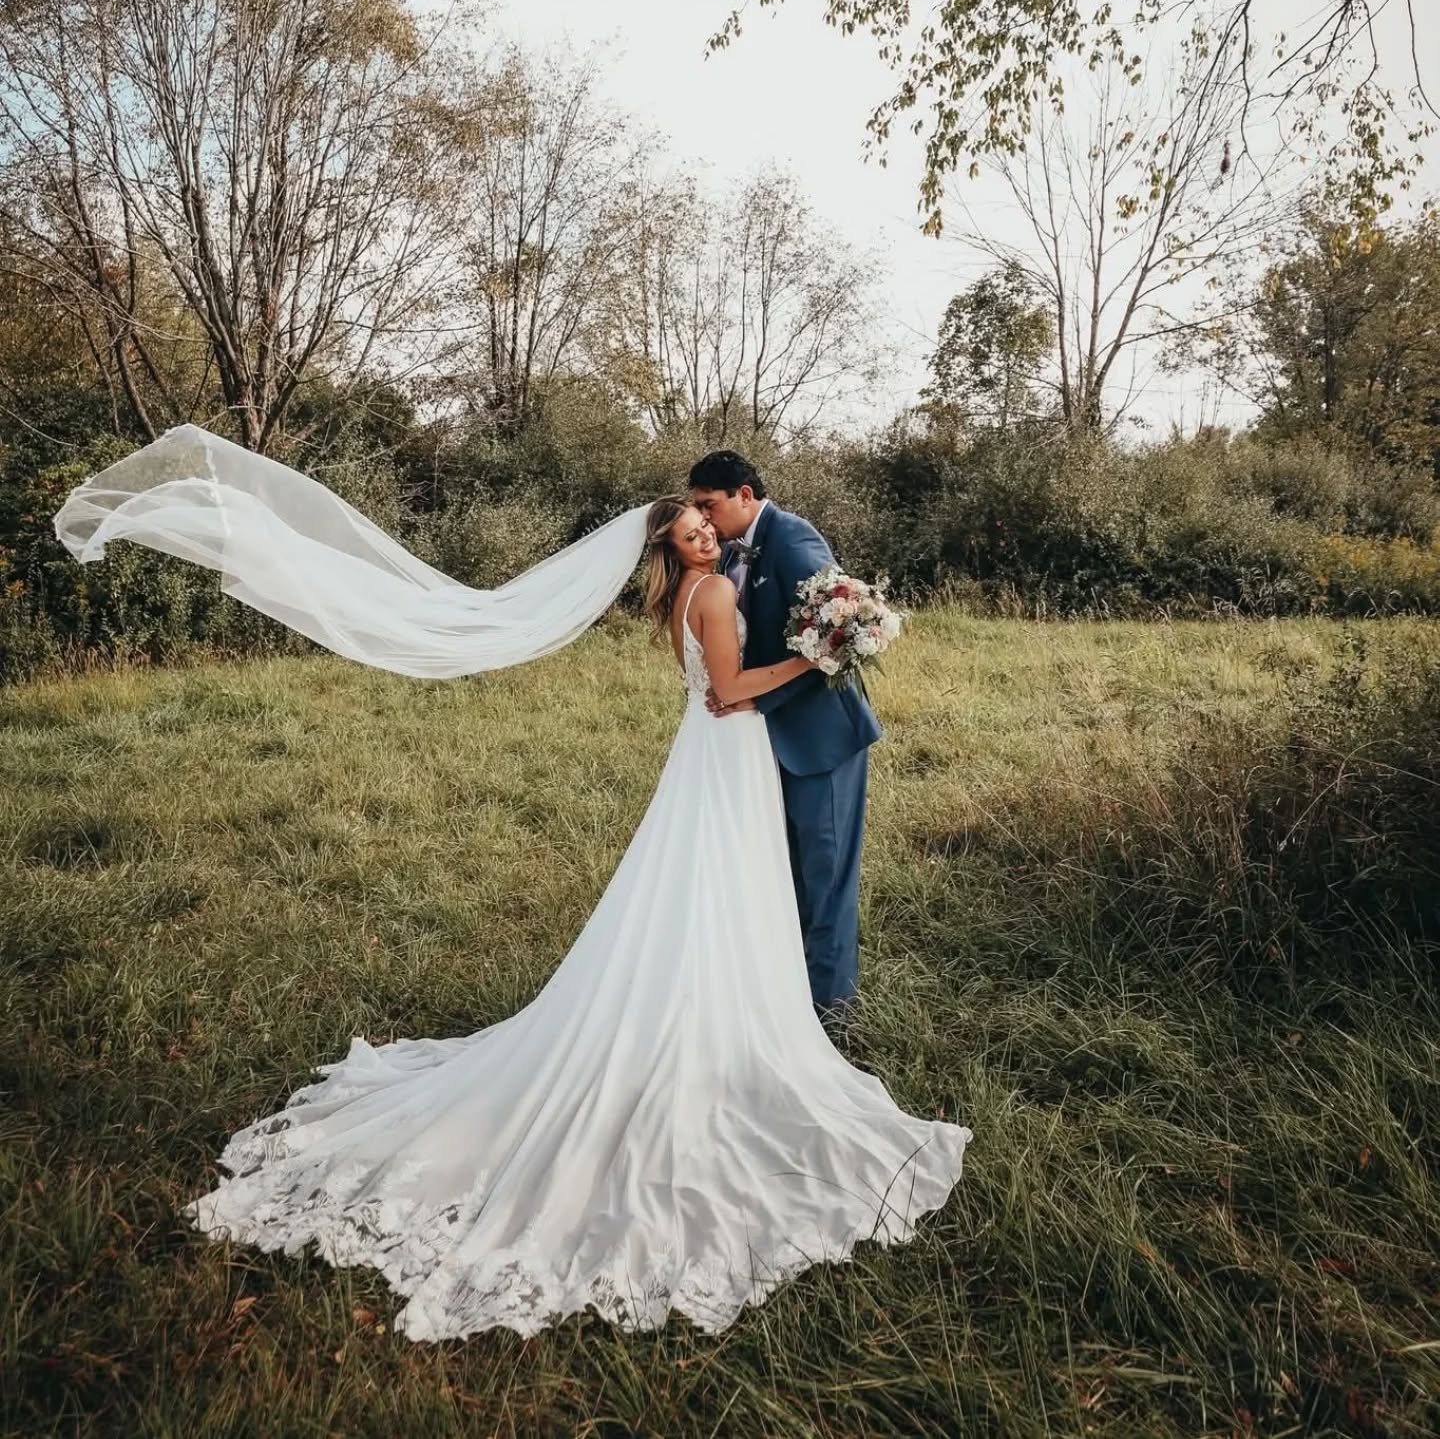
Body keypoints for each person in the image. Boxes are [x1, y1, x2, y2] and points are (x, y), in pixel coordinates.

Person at [54, 430, 969, 1340]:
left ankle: (730, 999)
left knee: (705, 891)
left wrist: (825, 630)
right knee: (725, 887)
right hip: (729, 748)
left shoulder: (692, 589)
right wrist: (820, 653)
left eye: (706, 520)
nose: (707, 535)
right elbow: (731, 692)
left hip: (711, 763)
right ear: (674, 543)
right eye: (692, 527)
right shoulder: (719, 587)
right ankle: (737, 1017)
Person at [689, 452, 880, 1030]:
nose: (703, 518)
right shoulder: (729, 550)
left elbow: (844, 631)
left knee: (826, 873)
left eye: (709, 505)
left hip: (820, 738)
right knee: (787, 869)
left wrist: (755, 697)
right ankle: (788, 991)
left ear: (744, 494)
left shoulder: (793, 540)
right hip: (767, 740)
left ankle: (832, 1011)